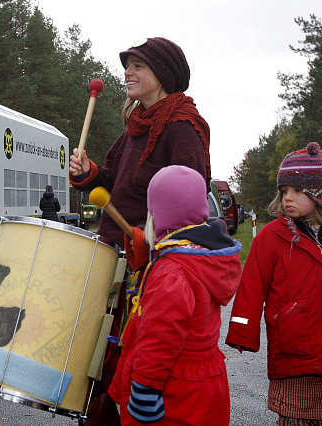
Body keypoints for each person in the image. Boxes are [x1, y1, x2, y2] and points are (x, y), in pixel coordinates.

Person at [68, 37, 211, 424]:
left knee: (131, 359)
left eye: (138, 66)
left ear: (162, 75)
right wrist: (89, 174)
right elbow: (112, 180)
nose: (127, 73)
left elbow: (190, 199)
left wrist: (157, 248)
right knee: (99, 360)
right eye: (127, 65)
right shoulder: (135, 127)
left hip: (149, 268)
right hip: (113, 258)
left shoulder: (182, 127)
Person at [108, 165, 242, 425]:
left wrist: (145, 387)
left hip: (175, 392)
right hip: (204, 384)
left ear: (158, 214)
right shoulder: (199, 256)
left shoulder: (172, 272)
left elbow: (161, 338)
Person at [226, 142, 322, 425]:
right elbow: (251, 288)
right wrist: (242, 332)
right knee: (296, 417)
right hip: (294, 353)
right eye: (283, 192)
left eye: (295, 191)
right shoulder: (271, 237)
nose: (286, 199)